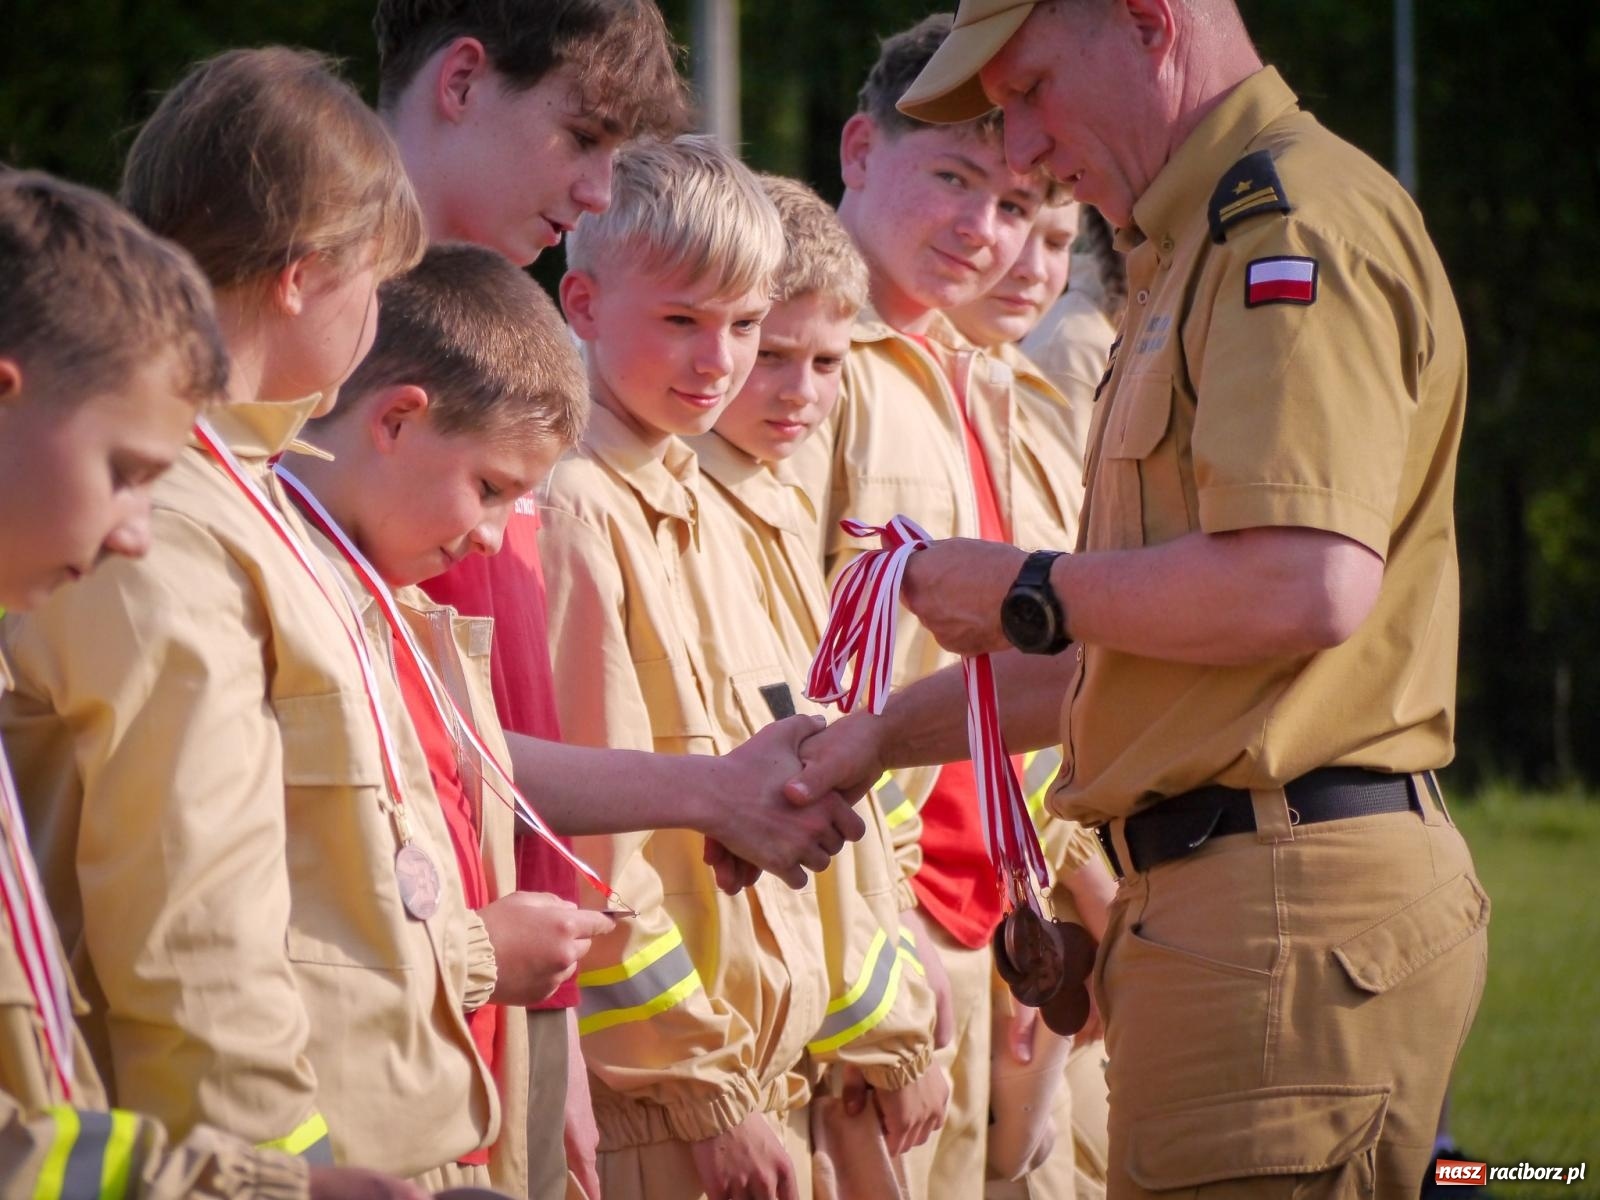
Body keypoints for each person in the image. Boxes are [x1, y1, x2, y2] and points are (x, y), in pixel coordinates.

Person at [799, 0, 1489, 1195]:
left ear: (1144, 23)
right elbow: (1139, 643)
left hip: (1274, 908)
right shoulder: (1193, 249)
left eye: (1026, 93)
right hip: (1232, 906)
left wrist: (1029, 586)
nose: (1020, 151)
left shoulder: (1289, 228)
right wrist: (875, 741)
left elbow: (1300, 583)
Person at [0, 48, 513, 1185]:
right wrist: (273, 1173)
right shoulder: (166, 522)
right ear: (302, 273)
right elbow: (191, 936)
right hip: (279, 1156)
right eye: (372, 285)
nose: (376, 322)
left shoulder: (242, 492)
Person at [785, 16, 1081, 1198]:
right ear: (858, 151)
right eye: (952, 179)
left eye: (1014, 205)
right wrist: (874, 934)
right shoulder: (808, 369)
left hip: (987, 923)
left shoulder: (977, 375)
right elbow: (779, 665)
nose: (984, 230)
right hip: (873, 928)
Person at [283, 242, 625, 1193]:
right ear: (396, 418)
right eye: (491, 488)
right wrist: (485, 951)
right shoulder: (287, 602)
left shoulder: (398, 604)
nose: (488, 534)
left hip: (445, 1138)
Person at [541, 135, 830, 1200]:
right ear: (580, 305)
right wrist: (703, 1097)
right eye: (680, 321)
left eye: (746, 325)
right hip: (661, 1112)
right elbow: (594, 850)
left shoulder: (695, 492)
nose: (720, 363)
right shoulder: (575, 506)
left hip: (750, 1081)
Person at [691, 174, 950, 1196]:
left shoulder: (775, 502)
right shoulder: (673, 501)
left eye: (828, 362)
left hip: (830, 1011)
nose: (798, 389)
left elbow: (842, 743)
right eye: (772, 354)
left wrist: (903, 968)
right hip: (736, 1044)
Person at [950, 195, 1117, 1200]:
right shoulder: (1070, 358)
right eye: (1009, 217)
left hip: (1044, 878)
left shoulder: (1016, 388)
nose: (1025, 258)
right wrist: (1073, 886)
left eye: (1057, 238)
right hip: (984, 901)